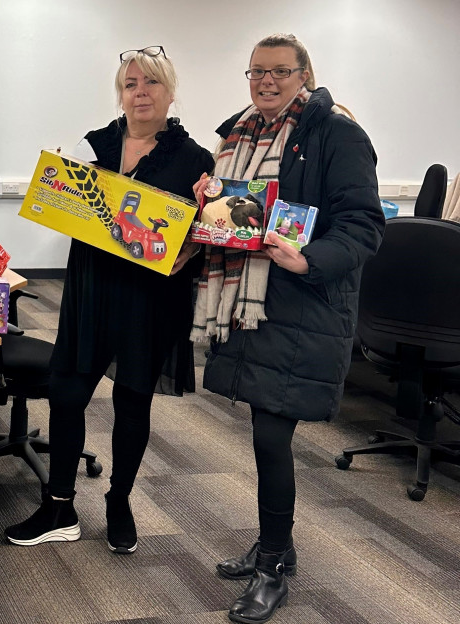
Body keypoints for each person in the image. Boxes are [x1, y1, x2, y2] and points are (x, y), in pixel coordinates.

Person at [191, 34, 383, 623]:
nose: (266, 82)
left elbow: (364, 225)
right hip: (252, 304)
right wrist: (207, 201)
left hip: (302, 306)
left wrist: (308, 259)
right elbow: (235, 220)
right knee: (261, 432)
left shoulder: (337, 134)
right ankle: (277, 545)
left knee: (272, 438)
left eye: (279, 71)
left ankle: (272, 564)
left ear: (304, 74)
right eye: (256, 72)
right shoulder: (236, 136)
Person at [4, 47, 213, 553]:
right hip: (92, 288)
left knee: (132, 401)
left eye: (151, 84)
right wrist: (56, 187)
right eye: (130, 84)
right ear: (120, 93)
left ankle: (119, 501)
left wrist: (192, 246)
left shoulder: (196, 160)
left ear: (169, 91)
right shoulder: (92, 144)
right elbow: (58, 207)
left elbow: (202, 233)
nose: (140, 93)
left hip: (150, 298)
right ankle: (59, 504)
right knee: (67, 393)